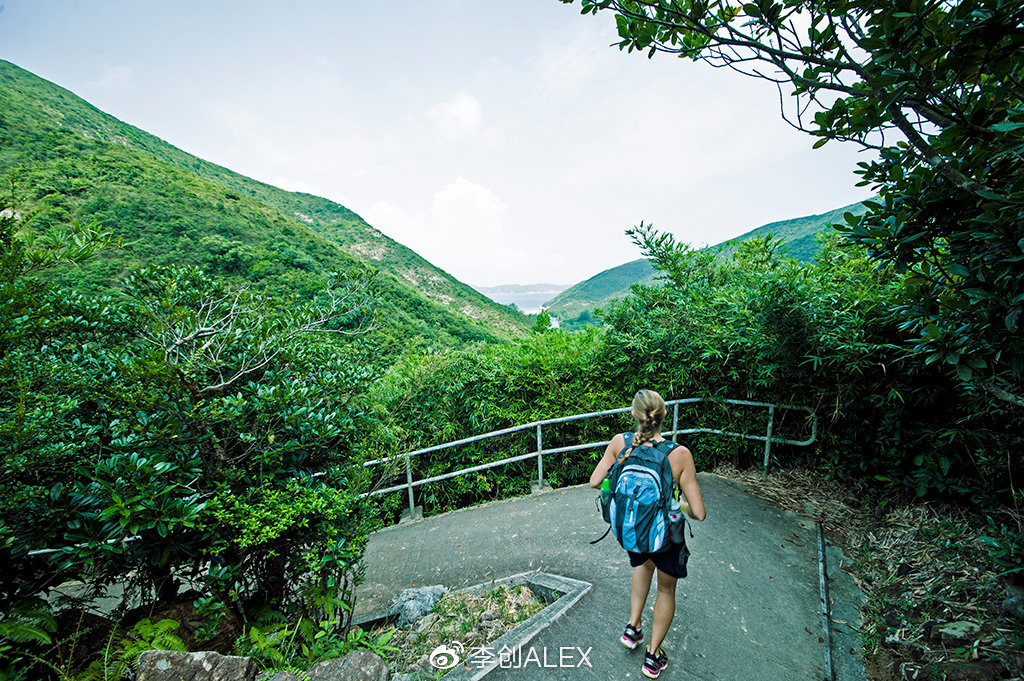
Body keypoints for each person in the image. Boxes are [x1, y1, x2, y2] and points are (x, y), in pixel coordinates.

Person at [589, 389, 707, 679]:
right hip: (665, 536)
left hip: (634, 530)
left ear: (634, 415)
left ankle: (632, 629)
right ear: (664, 416)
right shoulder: (679, 454)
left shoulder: (620, 443)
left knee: (643, 566)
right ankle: (652, 657)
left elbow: (595, 482)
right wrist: (678, 503)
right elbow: (699, 512)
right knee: (666, 589)